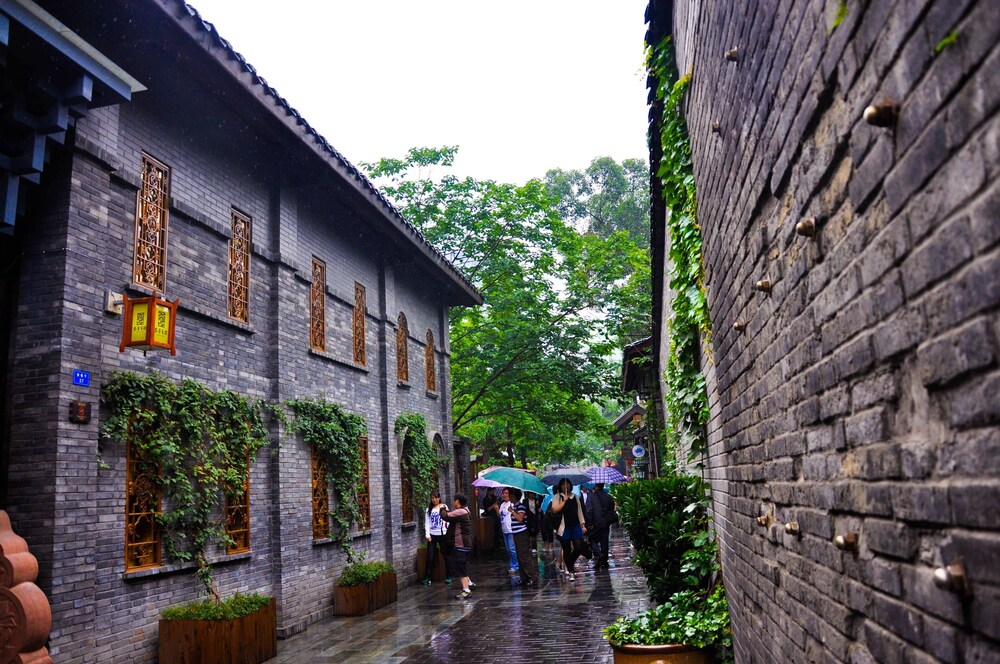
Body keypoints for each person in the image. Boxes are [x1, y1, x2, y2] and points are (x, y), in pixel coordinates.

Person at [551, 478, 587, 581]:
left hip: (575, 526)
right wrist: (564, 501)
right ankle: (571, 571)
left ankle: (569, 562)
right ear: (560, 486)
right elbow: (554, 510)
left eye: (567, 484)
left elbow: (579, 511)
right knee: (566, 549)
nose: (565, 486)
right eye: (563, 484)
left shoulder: (575, 497)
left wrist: (583, 525)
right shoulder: (557, 497)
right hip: (563, 527)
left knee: (578, 547)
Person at [440, 493, 475, 599]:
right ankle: (469, 583)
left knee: (460, 567)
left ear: (458, 501)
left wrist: (443, 508)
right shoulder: (466, 510)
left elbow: (445, 516)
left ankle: (466, 590)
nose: (454, 502)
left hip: (461, 543)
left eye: (454, 500)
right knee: (462, 565)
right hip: (465, 543)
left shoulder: (460, 511)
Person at [508, 488, 539, 586]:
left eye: (510, 495)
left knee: (524, 556)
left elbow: (520, 519)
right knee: (519, 556)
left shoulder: (520, 506)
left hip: (522, 534)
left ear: (514, 496)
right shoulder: (515, 506)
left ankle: (532, 577)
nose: (509, 497)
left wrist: (512, 511)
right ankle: (524, 577)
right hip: (516, 534)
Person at [583, 483, 616, 570]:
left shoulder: (591, 496)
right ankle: (604, 561)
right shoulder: (608, 496)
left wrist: (589, 523)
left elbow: (589, 510)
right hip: (605, 522)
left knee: (593, 540)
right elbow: (612, 508)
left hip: (595, 522)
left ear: (595, 485)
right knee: (604, 541)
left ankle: (598, 555)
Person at [421, 492, 450, 585]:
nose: (434, 500)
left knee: (446, 555)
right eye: (432, 498)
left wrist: (447, 531)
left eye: (436, 498)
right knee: (430, 556)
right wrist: (427, 535)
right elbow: (427, 523)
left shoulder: (444, 507)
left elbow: (448, 519)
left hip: (443, 534)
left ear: (439, 498)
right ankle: (427, 577)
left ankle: (448, 576)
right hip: (432, 536)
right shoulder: (428, 509)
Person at [494, 487, 518, 576]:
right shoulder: (502, 504)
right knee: (508, 549)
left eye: (506, 493)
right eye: (503, 493)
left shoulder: (512, 504)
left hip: (511, 529)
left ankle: (515, 566)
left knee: (512, 548)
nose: (504, 495)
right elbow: (500, 515)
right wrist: (497, 509)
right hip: (504, 529)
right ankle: (513, 564)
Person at [481, 487, 502, 552]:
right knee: (492, 531)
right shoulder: (485, 499)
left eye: (493, 491)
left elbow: (497, 505)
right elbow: (487, 509)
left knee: (498, 530)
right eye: (492, 491)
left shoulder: (495, 497)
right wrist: (493, 505)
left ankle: (497, 544)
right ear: (488, 491)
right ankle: (492, 546)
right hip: (490, 517)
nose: (493, 492)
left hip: (496, 516)